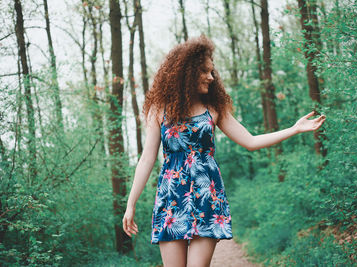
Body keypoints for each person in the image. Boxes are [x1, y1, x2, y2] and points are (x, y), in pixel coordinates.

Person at [122, 34, 326, 267]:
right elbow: (147, 159)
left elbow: (250, 140)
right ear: (187, 72)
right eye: (205, 71)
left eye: (212, 71)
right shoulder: (159, 109)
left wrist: (294, 129)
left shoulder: (213, 108)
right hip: (171, 199)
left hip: (207, 198)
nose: (211, 77)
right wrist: (131, 204)